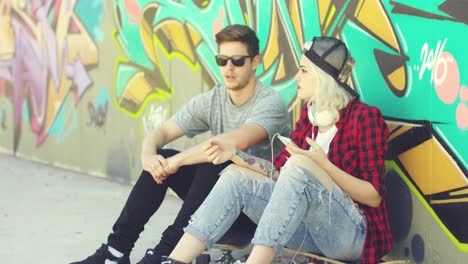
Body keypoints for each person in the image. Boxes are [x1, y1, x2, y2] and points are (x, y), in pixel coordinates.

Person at [71, 24, 291, 264]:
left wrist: (174, 162)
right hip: (216, 205)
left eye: (237, 61)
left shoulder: (270, 103)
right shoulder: (214, 99)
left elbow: (234, 141)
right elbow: (162, 131)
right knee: (162, 156)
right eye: (222, 60)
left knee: (216, 159)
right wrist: (149, 156)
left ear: (255, 61)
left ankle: (169, 250)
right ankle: (115, 252)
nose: (228, 68)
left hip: (255, 213)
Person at [165, 36, 394, 264]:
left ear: (322, 77)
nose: (297, 77)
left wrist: (323, 166)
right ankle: (176, 260)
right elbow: (277, 171)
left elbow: (373, 196)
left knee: (299, 166)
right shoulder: (310, 115)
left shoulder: (364, 118)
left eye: (304, 71)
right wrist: (234, 154)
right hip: (311, 232)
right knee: (235, 176)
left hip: (354, 236)